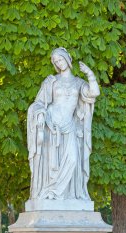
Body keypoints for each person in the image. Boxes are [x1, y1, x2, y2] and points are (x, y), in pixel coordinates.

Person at [27, 47, 100, 201]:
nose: (59, 63)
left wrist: (90, 74)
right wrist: (40, 115)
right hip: (51, 126)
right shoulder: (51, 81)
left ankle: (62, 193)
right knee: (52, 165)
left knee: (73, 159)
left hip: (70, 127)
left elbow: (94, 93)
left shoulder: (79, 83)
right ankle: (51, 192)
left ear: (67, 58)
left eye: (60, 59)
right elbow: (39, 103)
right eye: (56, 62)